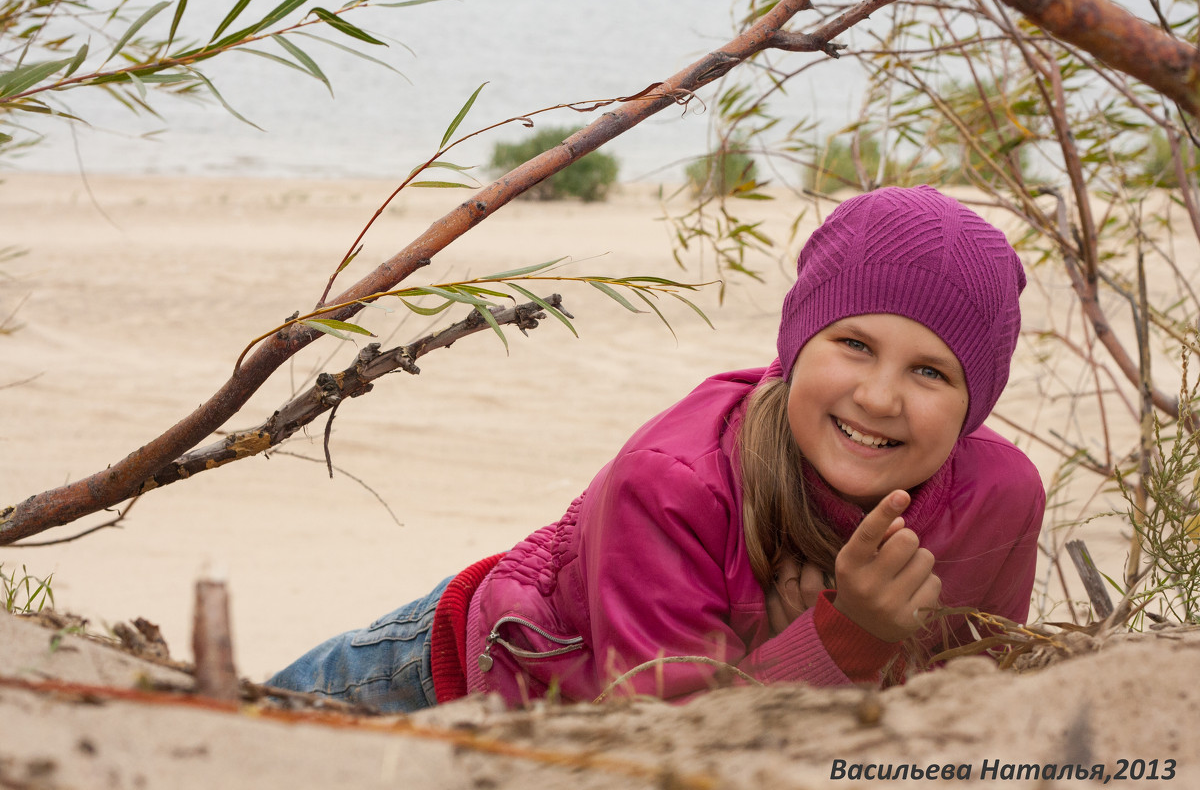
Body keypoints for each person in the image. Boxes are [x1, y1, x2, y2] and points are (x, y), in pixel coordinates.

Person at [267, 185, 1045, 713]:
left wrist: (806, 647)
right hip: (451, 675)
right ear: (795, 346)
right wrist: (849, 635)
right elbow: (664, 740)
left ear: (976, 403)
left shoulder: (999, 501)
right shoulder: (675, 485)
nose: (879, 396)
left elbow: (961, 703)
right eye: (853, 343)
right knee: (206, 737)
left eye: (930, 371)